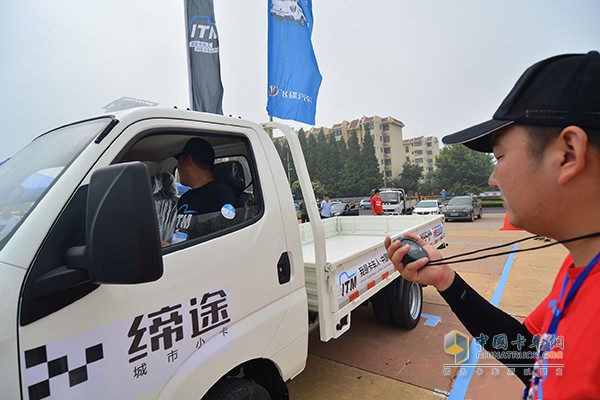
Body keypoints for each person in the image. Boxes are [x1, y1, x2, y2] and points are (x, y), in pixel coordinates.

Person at [384, 51, 600, 399]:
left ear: (568, 154)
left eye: (499, 157)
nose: (492, 179)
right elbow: (529, 355)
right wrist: (446, 280)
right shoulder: (579, 267)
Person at [170, 138, 238, 243]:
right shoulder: (185, 198)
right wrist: (169, 243)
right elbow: (180, 233)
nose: (178, 167)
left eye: (179, 161)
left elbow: (223, 238)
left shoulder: (222, 194)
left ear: (188, 161)